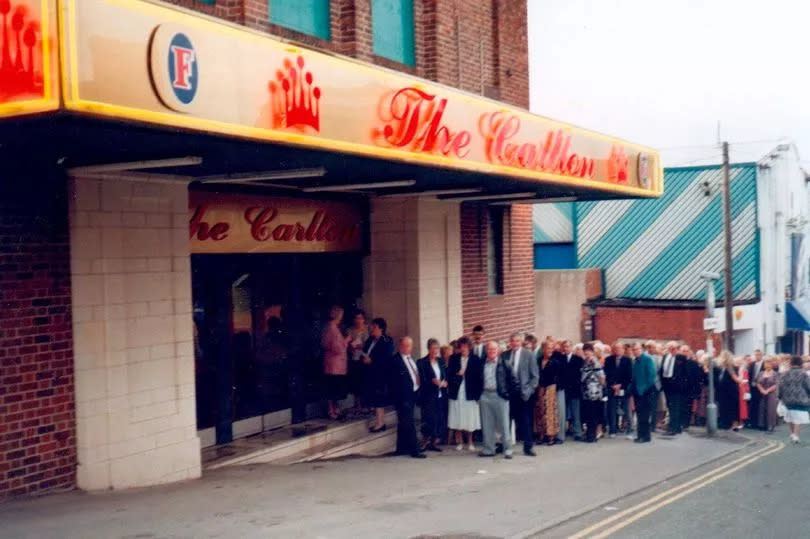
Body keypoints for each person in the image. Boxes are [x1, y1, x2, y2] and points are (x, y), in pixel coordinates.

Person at [503, 332, 540, 456]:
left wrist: (529, 390)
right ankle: (505, 445)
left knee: (525, 421)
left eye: (517, 341)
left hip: (524, 393)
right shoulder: (505, 355)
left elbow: (535, 377)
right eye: (512, 341)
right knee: (506, 420)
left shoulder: (528, 355)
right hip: (509, 393)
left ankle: (528, 447)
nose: (514, 343)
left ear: (521, 342)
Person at [390, 337, 426, 458]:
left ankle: (401, 448)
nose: (408, 348)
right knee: (409, 423)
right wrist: (401, 399)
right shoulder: (395, 361)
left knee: (403, 423)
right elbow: (394, 383)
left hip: (413, 394)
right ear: (400, 347)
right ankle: (415, 450)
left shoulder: (411, 359)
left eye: (410, 346)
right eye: (405, 346)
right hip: (403, 398)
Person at [478, 341, 514, 459]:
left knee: (503, 424)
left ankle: (507, 449)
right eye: (489, 349)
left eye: (494, 349)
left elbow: (513, 381)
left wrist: (507, 395)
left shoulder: (505, 363)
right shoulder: (482, 363)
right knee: (487, 424)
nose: (491, 351)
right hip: (485, 395)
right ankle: (489, 449)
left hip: (500, 396)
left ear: (498, 350)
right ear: (486, 351)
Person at [448, 336, 483, 451]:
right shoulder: (453, 358)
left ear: (469, 347)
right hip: (457, 392)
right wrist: (458, 375)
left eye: (465, 346)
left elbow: (479, 378)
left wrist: (478, 395)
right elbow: (449, 375)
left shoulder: (476, 359)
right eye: (461, 346)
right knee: (458, 416)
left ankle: (470, 442)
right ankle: (459, 442)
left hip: (470, 393)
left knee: (469, 418)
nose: (463, 349)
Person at [362, 318, 394, 432]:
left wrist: (372, 361)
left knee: (379, 399)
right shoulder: (370, 339)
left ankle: (380, 423)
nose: (372, 329)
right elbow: (365, 351)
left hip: (381, 374)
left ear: (381, 328)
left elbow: (387, 358)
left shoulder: (387, 341)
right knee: (374, 398)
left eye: (374, 327)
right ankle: (378, 422)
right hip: (370, 373)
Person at [417, 338, 447, 452]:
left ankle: (433, 442)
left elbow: (445, 375)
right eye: (433, 348)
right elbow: (422, 379)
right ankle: (425, 441)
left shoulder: (440, 361)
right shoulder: (422, 362)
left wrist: (445, 382)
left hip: (440, 395)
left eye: (437, 348)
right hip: (428, 395)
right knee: (429, 419)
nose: (435, 351)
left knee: (438, 418)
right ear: (428, 349)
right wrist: (432, 381)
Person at [322, 306, 351, 420]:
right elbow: (337, 348)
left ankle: (334, 410)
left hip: (331, 364)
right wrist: (346, 341)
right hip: (335, 365)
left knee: (333, 389)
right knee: (333, 389)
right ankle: (332, 411)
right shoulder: (333, 329)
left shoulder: (329, 328)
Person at [778, 355, 810, 444]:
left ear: (791, 363)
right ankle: (795, 435)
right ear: (800, 363)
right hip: (801, 399)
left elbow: (780, 386)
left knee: (791, 417)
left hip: (787, 399)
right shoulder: (803, 373)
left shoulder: (785, 373)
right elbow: (808, 385)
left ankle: (792, 434)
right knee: (798, 418)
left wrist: (780, 397)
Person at [604, 341, 632, 438]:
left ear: (623, 350)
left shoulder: (628, 360)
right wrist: (613, 385)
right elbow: (606, 374)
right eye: (615, 348)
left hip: (624, 388)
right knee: (611, 409)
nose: (617, 350)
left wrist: (620, 385)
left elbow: (629, 375)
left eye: (619, 348)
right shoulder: (608, 360)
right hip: (612, 388)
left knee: (626, 409)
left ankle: (629, 430)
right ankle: (613, 430)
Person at [534, 340, 560, 445]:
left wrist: (547, 386)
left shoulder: (555, 361)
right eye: (547, 348)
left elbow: (556, 376)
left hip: (550, 387)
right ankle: (541, 434)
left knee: (550, 412)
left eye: (551, 348)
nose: (550, 350)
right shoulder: (538, 360)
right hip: (540, 387)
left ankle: (551, 436)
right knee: (540, 410)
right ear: (543, 349)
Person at [660, 342, 689, 435]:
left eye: (674, 348)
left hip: (676, 386)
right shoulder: (665, 357)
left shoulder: (681, 358)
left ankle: (674, 428)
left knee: (675, 407)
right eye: (670, 348)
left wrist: (682, 385)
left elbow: (685, 373)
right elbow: (662, 370)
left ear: (677, 348)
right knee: (670, 406)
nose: (672, 350)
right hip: (666, 384)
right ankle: (675, 426)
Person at [631, 342, 656, 443]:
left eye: (637, 349)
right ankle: (640, 435)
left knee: (644, 415)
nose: (635, 351)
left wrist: (644, 389)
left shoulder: (647, 359)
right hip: (637, 391)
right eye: (634, 350)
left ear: (641, 349)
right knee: (639, 414)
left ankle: (646, 436)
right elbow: (633, 377)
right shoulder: (635, 361)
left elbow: (651, 376)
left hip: (646, 392)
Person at [580, 343, 606, 443]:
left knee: (593, 414)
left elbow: (602, 376)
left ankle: (592, 436)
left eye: (588, 350)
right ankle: (589, 435)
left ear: (592, 351)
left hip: (594, 392)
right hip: (587, 392)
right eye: (585, 350)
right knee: (589, 414)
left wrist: (601, 387)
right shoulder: (586, 361)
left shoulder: (594, 361)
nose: (586, 352)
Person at [560, 340, 584, 441]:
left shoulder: (578, 359)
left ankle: (577, 433)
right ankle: (561, 434)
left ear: (571, 348)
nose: (566, 348)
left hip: (574, 389)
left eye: (568, 346)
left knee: (575, 413)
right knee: (562, 412)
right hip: (563, 389)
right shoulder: (560, 359)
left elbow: (580, 375)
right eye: (564, 347)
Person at [347, 309, 369, 412]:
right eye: (356, 318)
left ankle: (366, 404)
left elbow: (371, 344)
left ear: (364, 319)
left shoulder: (368, 329)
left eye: (360, 318)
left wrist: (363, 345)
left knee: (365, 381)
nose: (358, 320)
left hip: (365, 358)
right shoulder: (350, 330)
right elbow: (346, 344)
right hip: (354, 359)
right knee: (356, 382)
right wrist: (351, 347)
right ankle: (358, 405)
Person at [715, 350, 740, 430]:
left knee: (731, 408)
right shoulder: (722, 368)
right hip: (723, 391)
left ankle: (733, 425)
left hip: (730, 392)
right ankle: (725, 424)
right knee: (724, 408)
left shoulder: (731, 367)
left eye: (722, 356)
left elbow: (735, 379)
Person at [755, 357, 779, 432]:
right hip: (762, 393)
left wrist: (767, 390)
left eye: (769, 364)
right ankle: (762, 425)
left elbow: (776, 384)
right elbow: (757, 382)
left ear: (772, 365)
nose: (767, 365)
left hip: (771, 394)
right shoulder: (761, 373)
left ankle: (770, 425)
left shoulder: (775, 374)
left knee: (770, 409)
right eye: (766, 364)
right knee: (762, 408)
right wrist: (762, 390)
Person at [645, 340, 664, 432]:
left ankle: (653, 426)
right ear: (648, 348)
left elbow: (660, 370)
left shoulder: (657, 357)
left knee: (654, 406)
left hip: (656, 385)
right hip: (646, 385)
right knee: (646, 406)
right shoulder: (643, 356)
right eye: (653, 347)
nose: (655, 349)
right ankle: (645, 425)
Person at [748, 349, 765, 429]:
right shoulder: (752, 364)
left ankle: (760, 424)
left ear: (762, 355)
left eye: (758, 354)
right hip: (752, 388)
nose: (757, 356)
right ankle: (753, 423)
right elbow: (749, 375)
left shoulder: (765, 364)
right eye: (755, 355)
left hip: (761, 388)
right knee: (752, 406)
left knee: (761, 406)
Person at [735, 356, 751, 431]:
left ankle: (742, 422)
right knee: (738, 406)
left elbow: (746, 380)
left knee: (742, 406)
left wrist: (740, 382)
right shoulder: (737, 369)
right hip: (738, 388)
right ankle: (739, 422)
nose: (738, 363)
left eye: (739, 362)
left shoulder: (744, 370)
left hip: (742, 389)